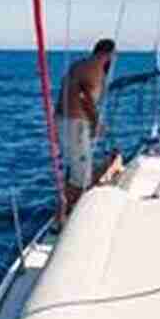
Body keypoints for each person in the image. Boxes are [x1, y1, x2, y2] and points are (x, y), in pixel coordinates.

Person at [55, 38, 115, 208]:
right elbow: (84, 95)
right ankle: (70, 212)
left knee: (75, 170)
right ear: (108, 54)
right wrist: (96, 122)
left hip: (64, 120)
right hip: (76, 124)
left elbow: (66, 90)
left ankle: (64, 209)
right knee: (82, 178)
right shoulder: (95, 68)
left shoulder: (78, 65)